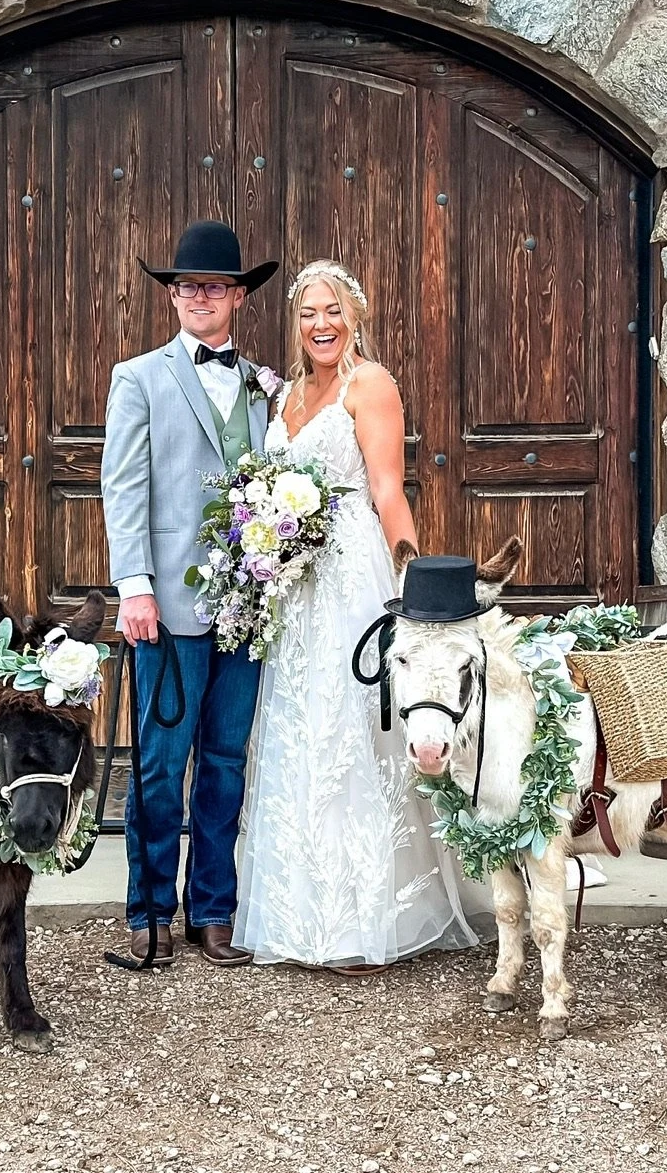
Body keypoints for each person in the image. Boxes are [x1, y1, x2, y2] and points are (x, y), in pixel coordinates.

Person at [232, 260, 477, 972]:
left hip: (350, 574)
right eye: (309, 312)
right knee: (296, 730)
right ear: (296, 322)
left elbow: (386, 490)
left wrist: (414, 589)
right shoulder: (285, 394)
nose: (320, 324)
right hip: (294, 587)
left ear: (356, 315)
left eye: (332, 310)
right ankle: (293, 913)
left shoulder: (370, 385)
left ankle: (368, 917)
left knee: (353, 725)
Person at [100, 220, 280, 970]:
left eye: (212, 285)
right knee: (158, 765)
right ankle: (148, 910)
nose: (198, 297)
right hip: (168, 606)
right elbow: (124, 485)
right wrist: (134, 586)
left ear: (237, 295)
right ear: (173, 296)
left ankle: (214, 908)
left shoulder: (264, 384)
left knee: (227, 761)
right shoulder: (140, 376)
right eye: (186, 286)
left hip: (249, 607)